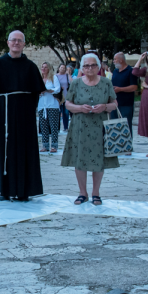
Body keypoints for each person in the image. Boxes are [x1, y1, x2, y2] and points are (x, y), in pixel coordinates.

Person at [0, 30, 45, 201]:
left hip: (25, 113)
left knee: (25, 148)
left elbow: (35, 94)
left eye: (20, 40)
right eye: (13, 40)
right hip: (5, 111)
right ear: (8, 42)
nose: (16, 43)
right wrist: (1, 110)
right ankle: (5, 189)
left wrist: (26, 108)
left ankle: (24, 190)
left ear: (24, 44)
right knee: (5, 148)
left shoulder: (31, 66)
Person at [61, 53, 118, 205]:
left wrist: (105, 106)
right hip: (80, 126)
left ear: (98, 67)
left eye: (93, 65)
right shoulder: (76, 83)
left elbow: (114, 103)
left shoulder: (106, 82)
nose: (90, 68)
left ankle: (96, 193)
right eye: (86, 65)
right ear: (82, 68)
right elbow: (67, 104)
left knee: (99, 159)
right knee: (80, 159)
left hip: (100, 126)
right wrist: (79, 108)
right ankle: (82, 193)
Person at [110, 52, 139, 155]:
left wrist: (120, 89)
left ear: (121, 60)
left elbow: (134, 87)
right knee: (114, 124)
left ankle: (127, 147)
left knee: (126, 124)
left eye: (115, 59)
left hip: (126, 103)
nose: (113, 61)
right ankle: (116, 146)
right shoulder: (115, 71)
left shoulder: (130, 71)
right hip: (114, 102)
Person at [37, 62, 62, 153]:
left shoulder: (53, 78)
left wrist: (47, 90)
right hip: (42, 105)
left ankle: (54, 146)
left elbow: (57, 88)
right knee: (43, 127)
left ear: (49, 68)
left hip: (52, 105)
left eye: (45, 67)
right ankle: (45, 145)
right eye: (42, 67)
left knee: (53, 126)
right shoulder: (39, 79)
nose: (43, 69)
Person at [55, 64, 72, 131]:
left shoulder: (67, 76)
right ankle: (57, 128)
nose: (62, 69)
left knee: (66, 113)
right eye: (61, 67)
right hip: (58, 97)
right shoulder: (55, 76)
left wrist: (69, 74)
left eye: (64, 68)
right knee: (57, 113)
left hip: (66, 96)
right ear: (59, 68)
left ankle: (66, 127)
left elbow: (71, 82)